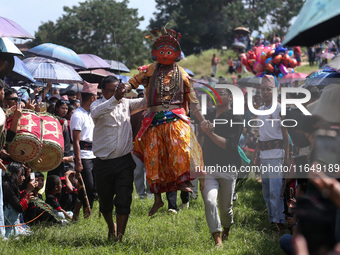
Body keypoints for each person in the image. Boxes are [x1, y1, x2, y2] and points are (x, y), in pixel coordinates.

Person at [127, 28, 205, 217]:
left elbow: (192, 100)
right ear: (155, 54)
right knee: (155, 161)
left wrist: (202, 120)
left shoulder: (183, 75)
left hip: (175, 119)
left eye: (169, 51)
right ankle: (158, 200)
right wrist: (125, 87)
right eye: (161, 51)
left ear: (176, 54)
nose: (165, 55)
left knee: (181, 150)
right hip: (153, 121)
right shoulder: (150, 70)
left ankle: (185, 181)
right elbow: (134, 82)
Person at [91, 75, 146, 242]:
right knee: (105, 201)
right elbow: (97, 112)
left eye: (117, 89)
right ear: (103, 91)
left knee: (124, 199)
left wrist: (149, 81)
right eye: (110, 90)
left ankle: (120, 237)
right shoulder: (97, 105)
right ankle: (111, 227)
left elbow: (145, 102)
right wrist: (116, 97)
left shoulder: (126, 103)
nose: (115, 93)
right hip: (103, 163)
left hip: (123, 161)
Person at [200, 87, 243, 247]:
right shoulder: (208, 114)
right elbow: (200, 137)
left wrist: (210, 133)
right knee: (210, 202)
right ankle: (217, 239)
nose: (216, 97)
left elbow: (230, 146)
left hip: (228, 167)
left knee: (226, 209)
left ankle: (226, 228)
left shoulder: (236, 116)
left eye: (221, 94)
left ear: (230, 97)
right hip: (208, 167)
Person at [251, 75, 289, 233]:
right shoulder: (259, 110)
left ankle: (280, 222)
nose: (265, 92)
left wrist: (287, 156)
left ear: (275, 91)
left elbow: (286, 134)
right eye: (263, 90)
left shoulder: (280, 108)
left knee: (275, 191)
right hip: (263, 155)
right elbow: (260, 134)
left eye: (269, 89)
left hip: (276, 155)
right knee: (266, 191)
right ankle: (272, 221)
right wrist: (256, 154)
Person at [70, 81, 97, 218]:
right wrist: (78, 161)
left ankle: (77, 212)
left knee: (92, 187)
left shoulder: (91, 114)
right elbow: (76, 141)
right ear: (92, 98)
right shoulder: (78, 115)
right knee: (89, 187)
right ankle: (86, 213)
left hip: (95, 153)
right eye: (96, 96)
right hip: (84, 155)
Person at [2, 162, 36, 237]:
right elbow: (19, 207)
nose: (24, 178)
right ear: (14, 175)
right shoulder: (7, 185)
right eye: (22, 175)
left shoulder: (11, 184)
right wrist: (27, 191)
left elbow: (16, 198)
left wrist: (26, 195)